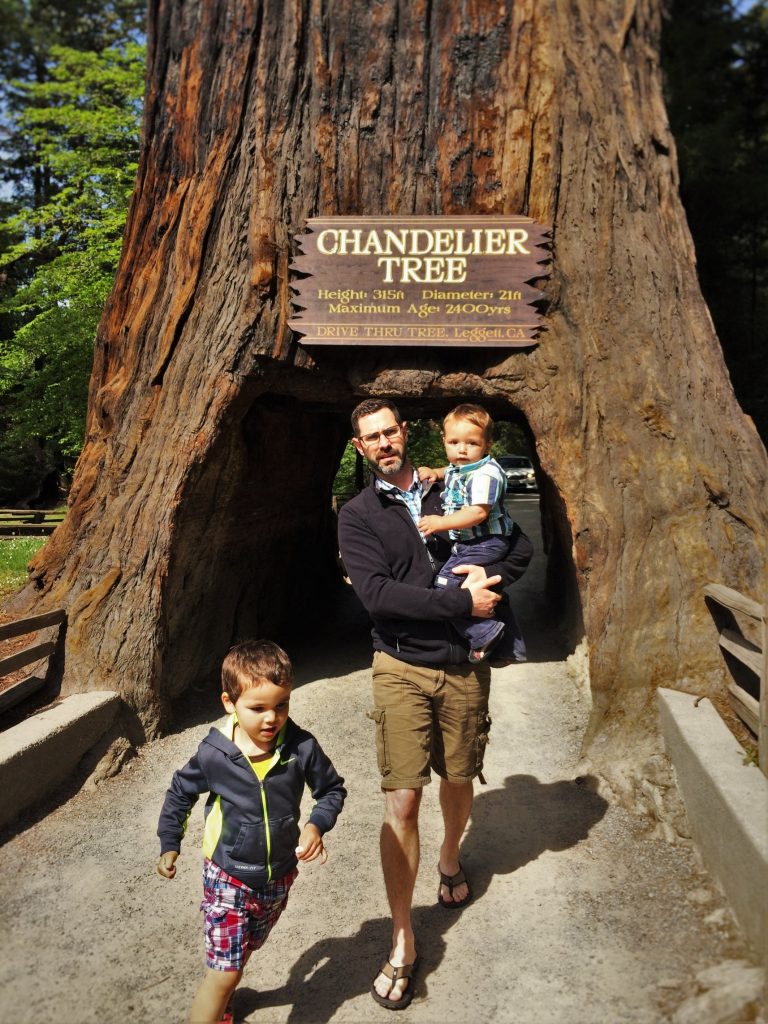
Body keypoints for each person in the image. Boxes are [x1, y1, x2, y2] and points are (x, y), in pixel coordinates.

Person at [337, 398, 532, 1010]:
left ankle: (449, 860)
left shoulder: (449, 486)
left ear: (405, 433)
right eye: (371, 437)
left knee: (458, 775)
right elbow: (376, 596)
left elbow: (519, 547)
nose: (384, 442)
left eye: (391, 430)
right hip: (400, 665)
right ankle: (402, 939)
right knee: (402, 797)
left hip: (464, 665)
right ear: (361, 448)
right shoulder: (357, 515)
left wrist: (490, 582)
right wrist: (459, 605)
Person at [156, 640, 346, 1024]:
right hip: (227, 876)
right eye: (257, 709)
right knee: (224, 972)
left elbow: (331, 790)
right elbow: (181, 792)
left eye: (281, 705)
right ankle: (217, 1000)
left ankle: (223, 999)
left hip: (278, 877)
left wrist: (315, 824)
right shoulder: (215, 754)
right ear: (229, 703)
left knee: (241, 957)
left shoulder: (301, 747)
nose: (271, 719)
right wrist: (169, 843)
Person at [417, 402, 526, 665]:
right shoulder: (461, 466)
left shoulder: (486, 473)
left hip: (484, 542)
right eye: (454, 442)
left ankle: (484, 633)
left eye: (471, 443)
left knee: (445, 588)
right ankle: (512, 648)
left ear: (487, 445)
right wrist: (435, 472)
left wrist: (439, 523)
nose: (462, 449)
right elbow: (451, 470)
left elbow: (477, 513)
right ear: (444, 441)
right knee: (479, 590)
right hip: (473, 543)